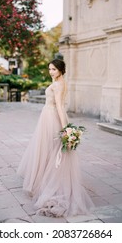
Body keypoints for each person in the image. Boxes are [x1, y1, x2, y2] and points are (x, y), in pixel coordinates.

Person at [17, 58, 94, 217]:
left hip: (51, 117)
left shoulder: (58, 84)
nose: (50, 72)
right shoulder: (60, 82)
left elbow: (59, 105)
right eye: (49, 69)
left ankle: (49, 185)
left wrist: (66, 128)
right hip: (48, 116)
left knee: (50, 150)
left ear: (60, 70)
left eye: (53, 69)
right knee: (47, 150)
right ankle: (44, 182)